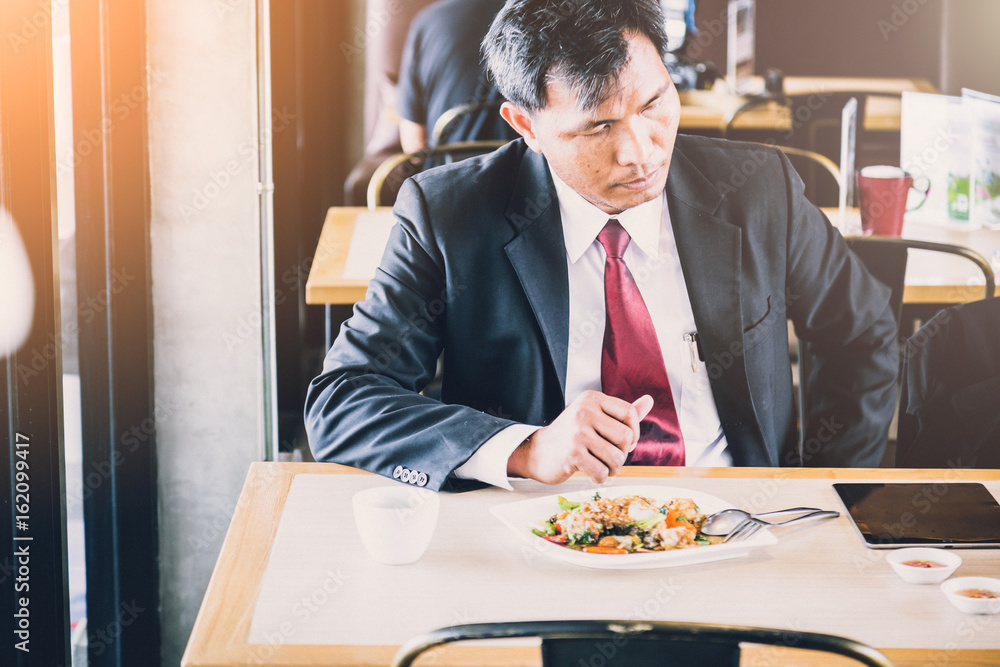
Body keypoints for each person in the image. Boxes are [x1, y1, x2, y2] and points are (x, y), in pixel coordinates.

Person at [305, 0, 898, 492]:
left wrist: (830, 491)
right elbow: (342, 402)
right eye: (598, 127)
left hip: (736, 521)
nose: (640, 153)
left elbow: (863, 333)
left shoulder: (758, 191)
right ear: (526, 127)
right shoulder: (450, 215)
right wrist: (524, 449)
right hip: (538, 530)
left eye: (653, 105)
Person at [396, 0, 513, 153]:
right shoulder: (538, 13)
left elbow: (413, 145)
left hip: (445, 171)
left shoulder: (426, 22)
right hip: (526, 167)